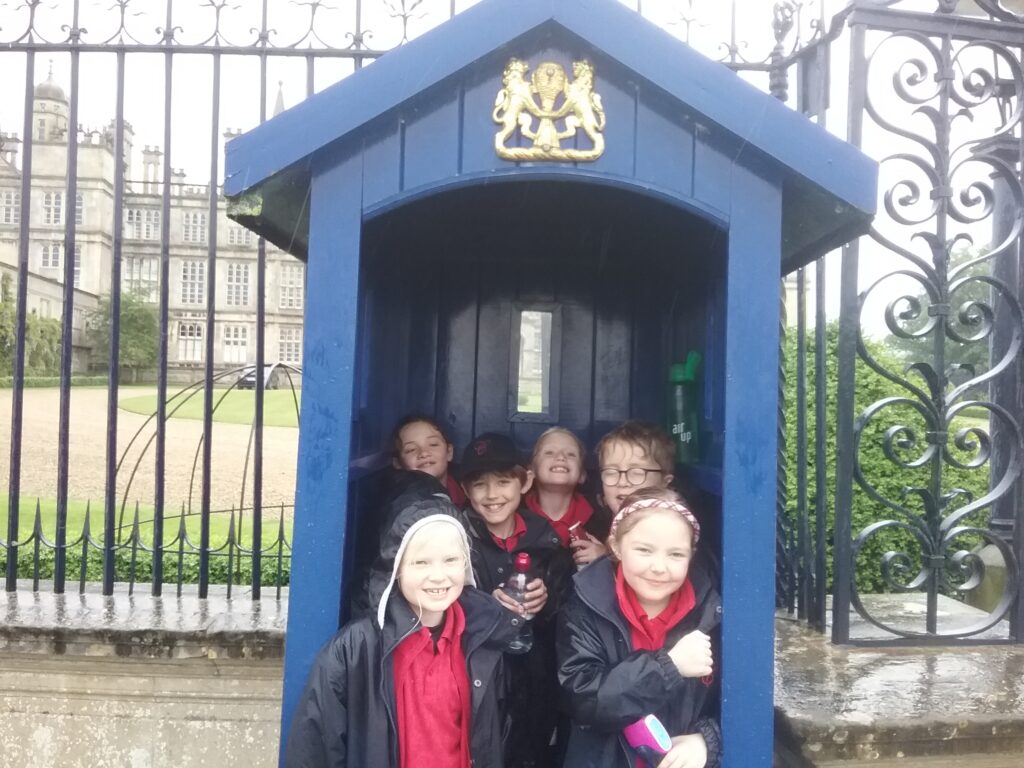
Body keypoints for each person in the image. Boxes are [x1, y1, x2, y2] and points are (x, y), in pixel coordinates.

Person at [285, 495, 519, 768]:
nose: (438, 575)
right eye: (421, 563)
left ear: (466, 566)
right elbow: (315, 749)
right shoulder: (355, 649)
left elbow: (498, 736)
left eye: (451, 560)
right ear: (396, 568)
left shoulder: (482, 640)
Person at [557, 487, 722, 768]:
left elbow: (741, 699)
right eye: (644, 550)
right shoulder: (584, 604)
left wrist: (708, 739)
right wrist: (667, 667)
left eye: (676, 555)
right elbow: (583, 700)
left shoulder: (711, 613)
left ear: (691, 555)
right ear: (617, 546)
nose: (659, 567)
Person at [459, 432, 574, 768]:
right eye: (479, 484)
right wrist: (485, 607)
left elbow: (569, 613)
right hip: (474, 682)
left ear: (524, 484)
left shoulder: (548, 539)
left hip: (534, 681)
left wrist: (547, 599)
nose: (493, 494)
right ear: (465, 491)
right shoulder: (456, 536)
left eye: (504, 481)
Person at [525, 427, 609, 568]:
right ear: (531, 470)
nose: (560, 457)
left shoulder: (601, 521)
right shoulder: (514, 517)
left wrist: (605, 558)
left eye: (571, 454)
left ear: (582, 474)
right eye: (549, 452)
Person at [392, 414, 467, 507]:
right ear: (398, 463)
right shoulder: (394, 505)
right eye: (411, 449)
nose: (424, 453)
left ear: (449, 452)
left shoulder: (469, 497)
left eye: (433, 444)